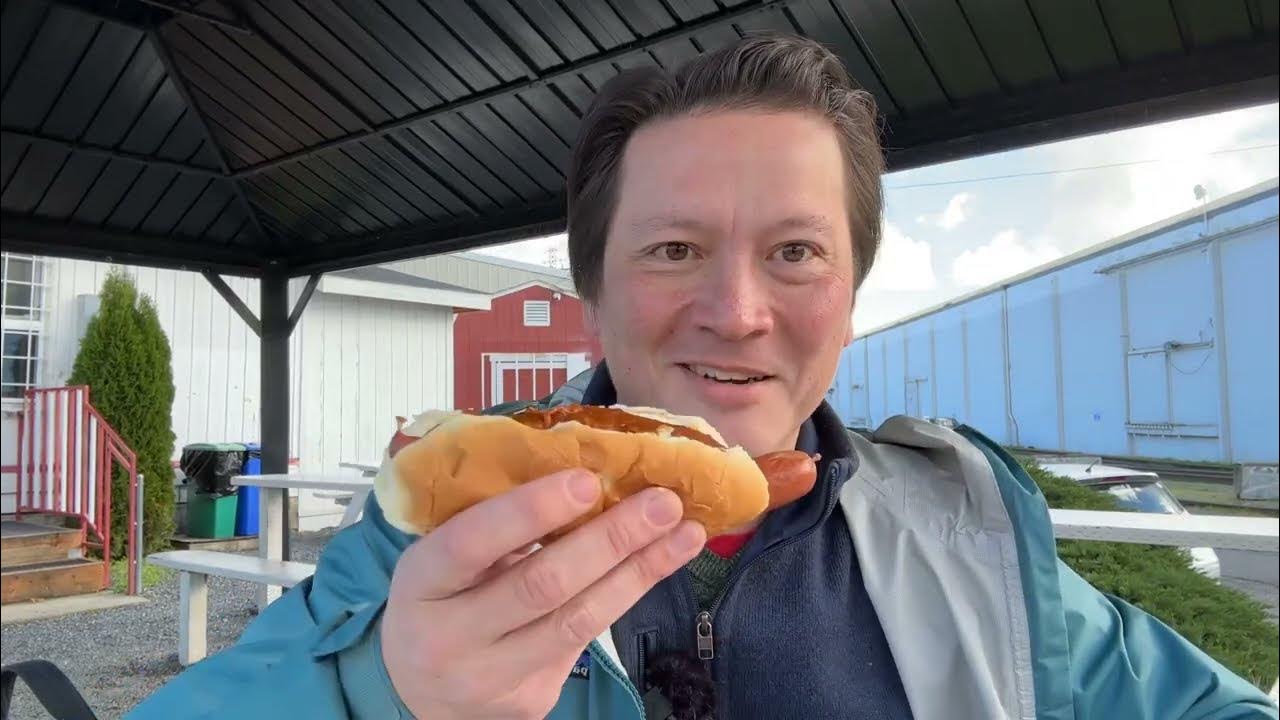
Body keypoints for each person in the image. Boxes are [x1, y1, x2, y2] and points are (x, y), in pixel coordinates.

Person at [128, 34, 1277, 720]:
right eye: (672, 250)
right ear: (593, 290)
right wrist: (378, 698)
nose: (734, 313)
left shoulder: (967, 530)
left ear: (849, 291)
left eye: (794, 252)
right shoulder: (434, 528)